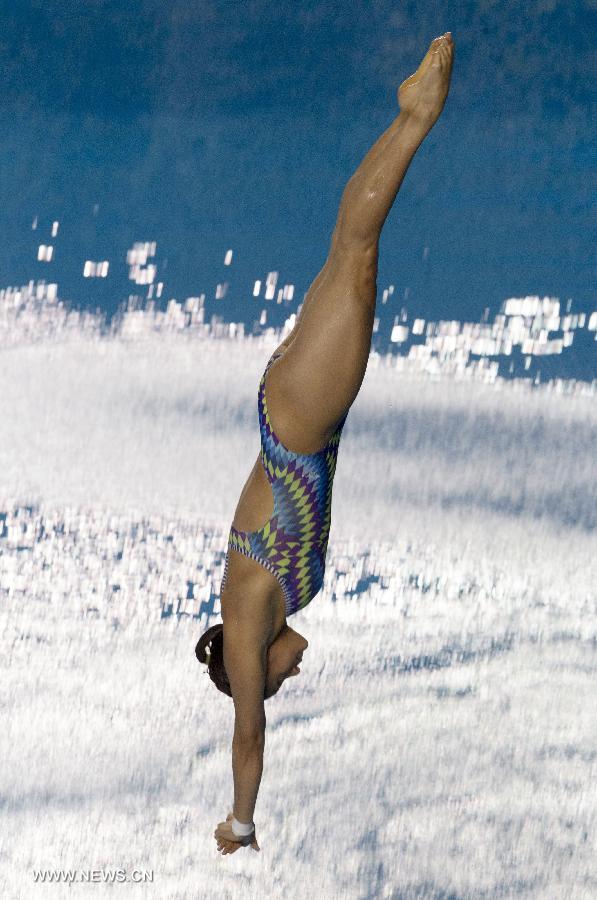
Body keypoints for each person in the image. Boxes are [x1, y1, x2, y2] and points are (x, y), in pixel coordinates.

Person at [196, 32, 455, 855]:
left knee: (354, 253)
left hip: (299, 427)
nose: (287, 676)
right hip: (300, 421)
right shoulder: (265, 611)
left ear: (249, 674)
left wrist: (240, 823)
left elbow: (247, 740)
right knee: (350, 260)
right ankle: (410, 117)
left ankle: (414, 117)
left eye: (274, 683)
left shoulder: (245, 633)